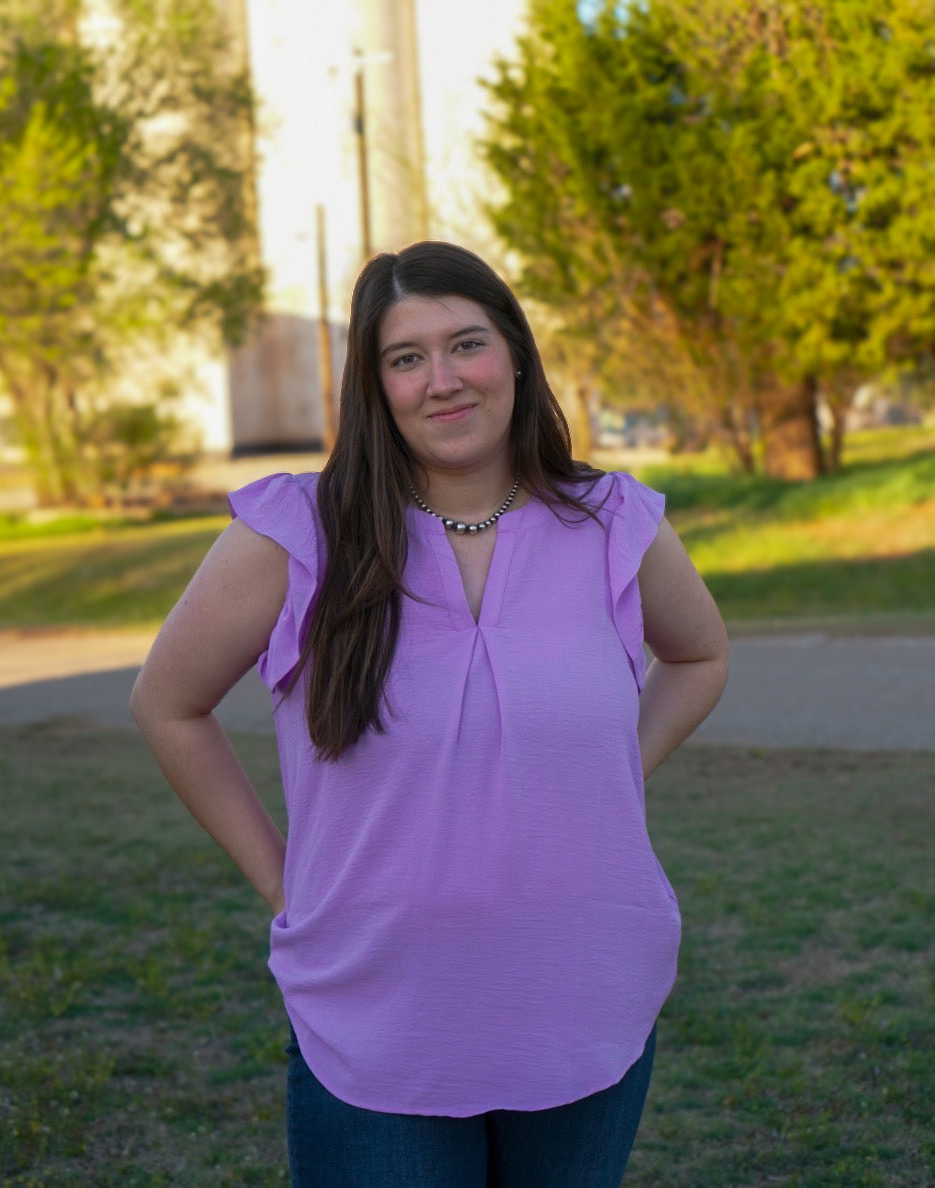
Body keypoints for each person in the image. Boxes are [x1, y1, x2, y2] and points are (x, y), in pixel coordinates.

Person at [130, 241, 729, 1186]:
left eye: (467, 344)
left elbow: (701, 655)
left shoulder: (613, 520)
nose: (442, 381)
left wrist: (615, 775)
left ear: (518, 356)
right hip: (378, 1009)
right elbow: (167, 703)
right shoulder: (296, 533)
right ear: (374, 387)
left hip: (583, 987)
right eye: (406, 358)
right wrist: (288, 889)